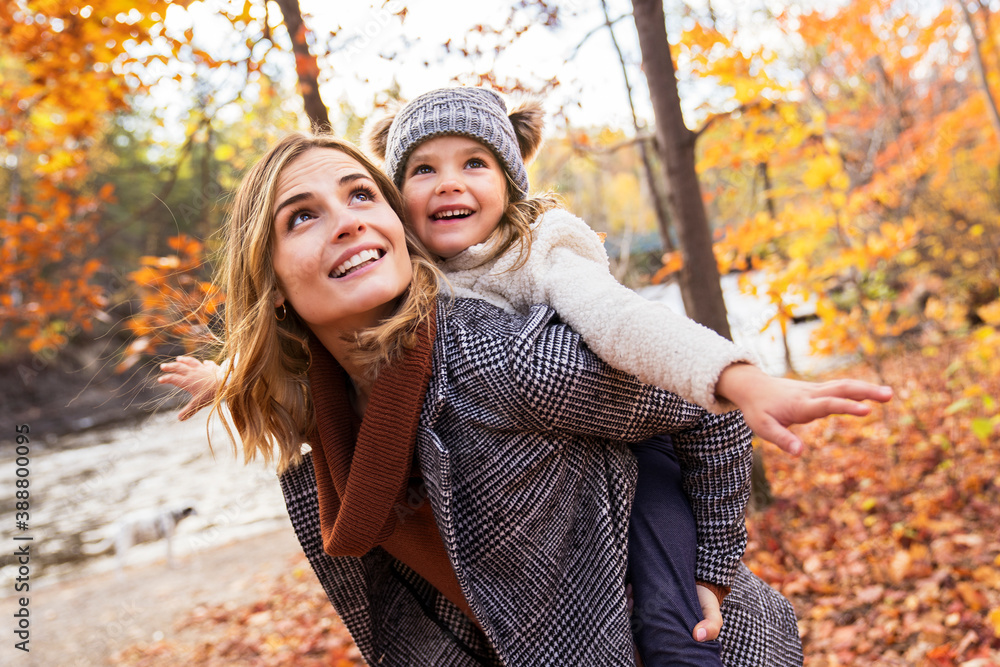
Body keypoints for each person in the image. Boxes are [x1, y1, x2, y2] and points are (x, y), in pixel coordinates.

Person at [179, 131, 804, 665]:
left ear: (397, 226)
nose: (348, 220)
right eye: (303, 216)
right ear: (274, 281)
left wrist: (712, 570)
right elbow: (415, 621)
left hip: (700, 646)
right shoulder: (317, 434)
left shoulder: (506, 361)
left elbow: (706, 408)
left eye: (362, 194)